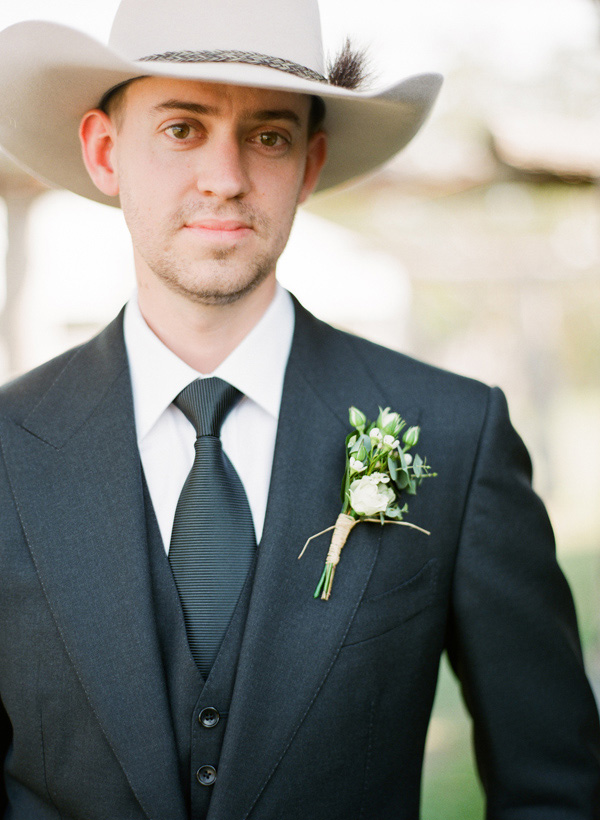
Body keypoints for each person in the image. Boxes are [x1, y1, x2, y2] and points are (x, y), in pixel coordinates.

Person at [0, 0, 598, 818]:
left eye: (269, 135)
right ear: (106, 153)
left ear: (310, 164)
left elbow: (554, 789)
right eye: (181, 128)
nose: (226, 176)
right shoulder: (6, 448)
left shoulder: (457, 436)